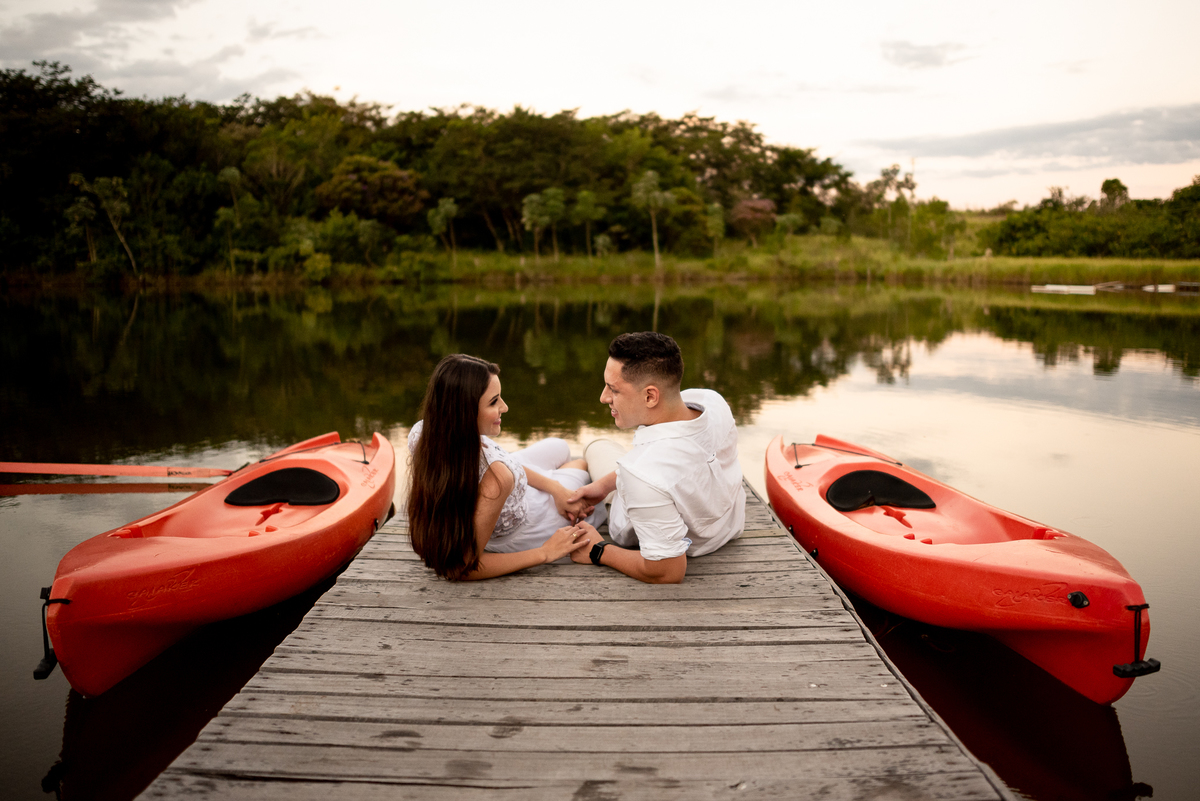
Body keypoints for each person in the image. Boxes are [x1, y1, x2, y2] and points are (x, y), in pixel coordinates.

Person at [566, 332, 745, 583]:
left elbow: (666, 571)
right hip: (728, 527)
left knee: (596, 447)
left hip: (641, 506)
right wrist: (604, 485)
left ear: (650, 396)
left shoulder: (643, 475)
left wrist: (598, 550)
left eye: (613, 389)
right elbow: (664, 468)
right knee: (620, 461)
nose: (604, 397)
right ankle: (604, 482)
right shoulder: (713, 402)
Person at [406, 354, 601, 580]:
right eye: (493, 401)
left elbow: (504, 462)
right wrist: (545, 552)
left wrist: (555, 488)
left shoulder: (424, 432)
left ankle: (556, 479)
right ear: (464, 412)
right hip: (526, 523)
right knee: (582, 467)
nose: (505, 407)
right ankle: (565, 476)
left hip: (507, 483)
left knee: (560, 447)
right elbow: (463, 566)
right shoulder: (497, 478)